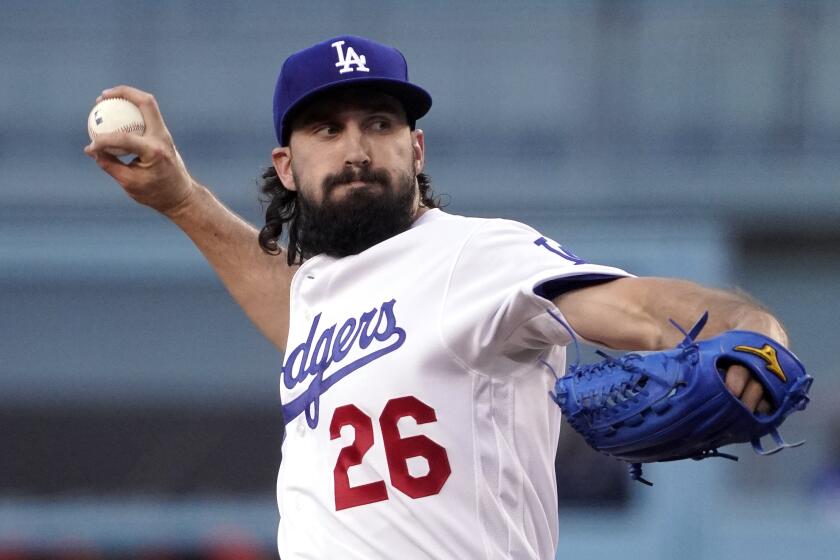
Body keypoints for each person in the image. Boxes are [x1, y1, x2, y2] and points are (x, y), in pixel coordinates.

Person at [85, 35, 784, 560]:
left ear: (416, 149)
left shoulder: (475, 256)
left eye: (380, 124)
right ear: (286, 167)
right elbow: (291, 304)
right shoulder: (324, 292)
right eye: (327, 129)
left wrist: (750, 327)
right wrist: (179, 198)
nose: (356, 148)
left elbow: (632, 307)